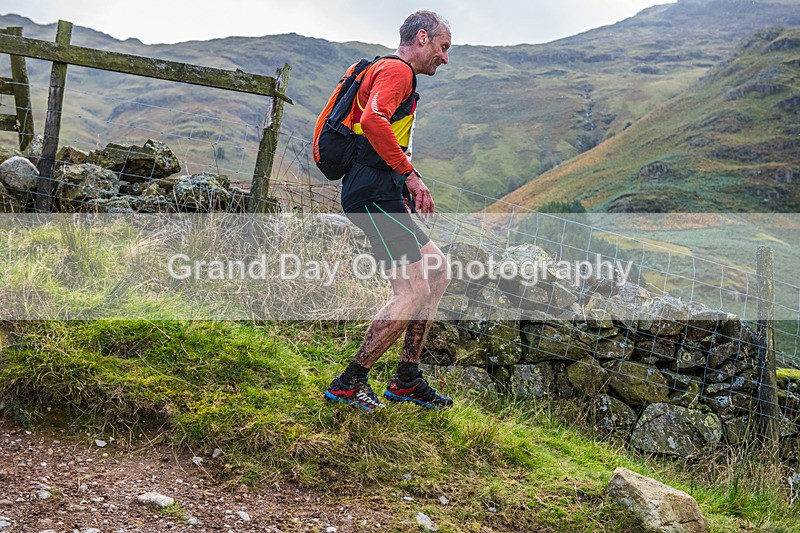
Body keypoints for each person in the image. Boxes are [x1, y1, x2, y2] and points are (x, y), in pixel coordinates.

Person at [324, 10, 453, 411]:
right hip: (372, 194)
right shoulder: (398, 71)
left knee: (438, 271)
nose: (445, 58)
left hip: (382, 190)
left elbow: (382, 130)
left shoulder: (393, 71)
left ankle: (407, 379)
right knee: (412, 290)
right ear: (422, 38)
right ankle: (350, 382)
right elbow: (373, 120)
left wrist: (405, 179)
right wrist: (409, 175)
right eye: (443, 47)